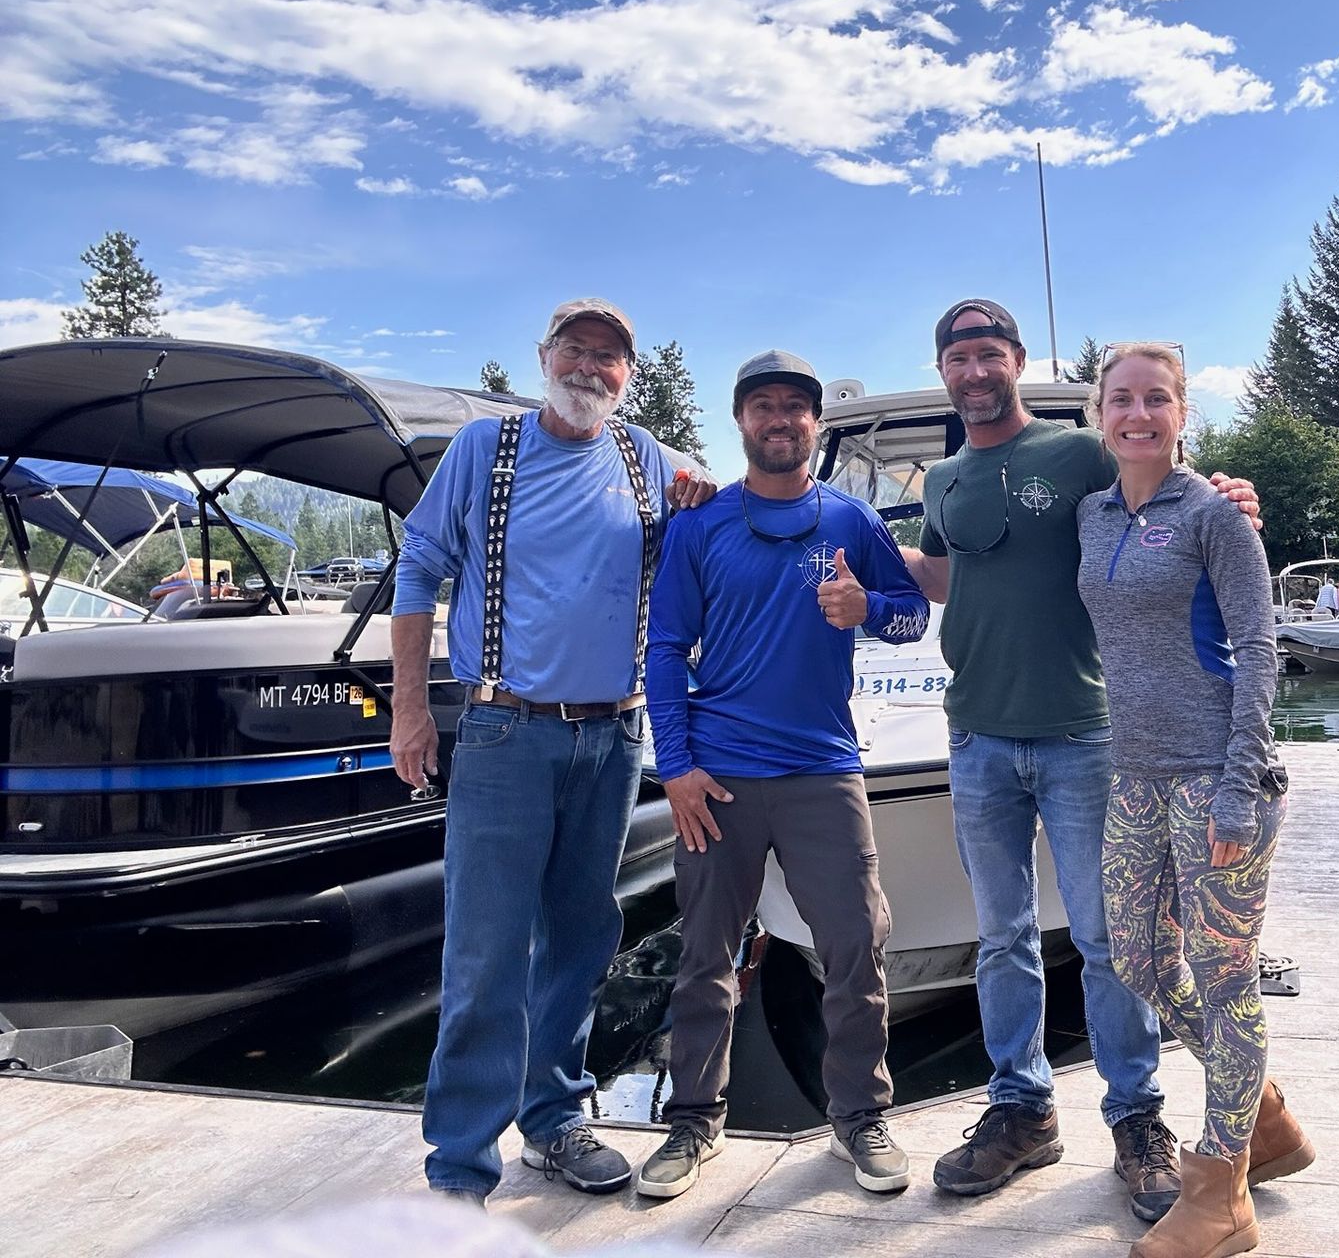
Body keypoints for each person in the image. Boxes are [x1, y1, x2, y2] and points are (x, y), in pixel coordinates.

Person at [898, 301, 1260, 1226]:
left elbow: (1158, 478)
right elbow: (948, 576)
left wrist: (1232, 498)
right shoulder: (940, 477)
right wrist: (874, 566)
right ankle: (1022, 1110)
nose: (975, 371)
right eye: (959, 358)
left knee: (1111, 940)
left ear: (1015, 360)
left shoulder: (1081, 451)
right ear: (944, 372)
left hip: (1086, 734)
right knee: (1002, 937)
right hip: (977, 734)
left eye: (991, 354)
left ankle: (1139, 1119)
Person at [391, 299, 713, 1208]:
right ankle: (458, 1165)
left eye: (610, 358)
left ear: (628, 376)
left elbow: (699, 532)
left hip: (614, 736)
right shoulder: (483, 452)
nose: (591, 368)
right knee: (486, 951)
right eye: (577, 349)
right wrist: (410, 712)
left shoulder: (643, 455)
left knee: (581, 936)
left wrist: (700, 494)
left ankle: (553, 1118)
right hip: (503, 730)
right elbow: (419, 569)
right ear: (544, 358)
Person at [636, 350, 930, 1200]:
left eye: (795, 408)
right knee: (703, 956)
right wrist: (678, 766)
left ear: (814, 425)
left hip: (823, 770)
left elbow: (911, 616)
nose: (780, 420)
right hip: (717, 778)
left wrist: (867, 608)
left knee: (855, 947)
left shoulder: (849, 520)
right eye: (763, 406)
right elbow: (662, 649)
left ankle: (860, 1118)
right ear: (742, 422)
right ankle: (694, 1121)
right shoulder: (701, 524)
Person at [1076, 343, 1312, 1258]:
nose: (1138, 415)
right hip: (1135, 773)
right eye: (1122, 400)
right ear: (1100, 415)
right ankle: (1265, 1115)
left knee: (1224, 975)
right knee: (1135, 957)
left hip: (1217, 774)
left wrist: (1241, 788)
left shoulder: (1218, 518)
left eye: (1157, 399)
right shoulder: (1094, 517)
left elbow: (1260, 650)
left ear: (1182, 414)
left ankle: (1222, 1193)